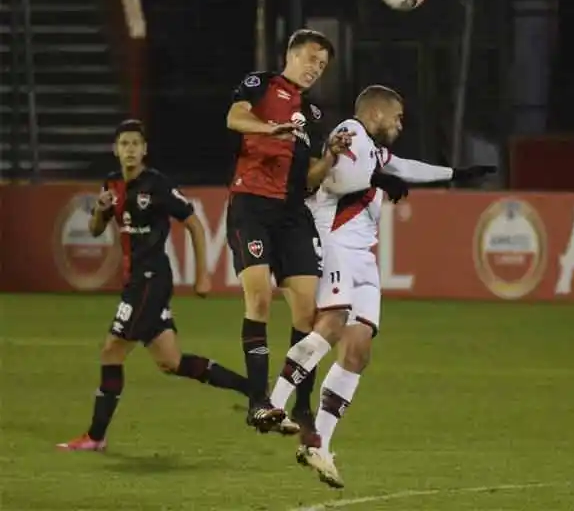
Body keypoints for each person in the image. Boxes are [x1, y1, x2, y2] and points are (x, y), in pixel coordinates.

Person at [268, 85, 495, 487]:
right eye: (397, 117)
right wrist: (379, 180)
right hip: (335, 243)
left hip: (363, 257)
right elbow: (337, 179)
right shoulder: (350, 131)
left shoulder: (374, 150)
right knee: (332, 323)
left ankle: (319, 444)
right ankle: (272, 404)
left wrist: (455, 174)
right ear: (376, 112)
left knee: (358, 350)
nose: (400, 125)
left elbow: (403, 167)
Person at [57, 119, 253, 452]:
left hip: (150, 281)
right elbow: (95, 230)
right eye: (124, 144)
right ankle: (253, 389)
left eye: (136, 144)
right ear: (116, 149)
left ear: (144, 149)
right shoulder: (112, 184)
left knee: (112, 350)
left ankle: (95, 436)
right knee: (171, 361)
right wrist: (100, 212)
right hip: (134, 281)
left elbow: (194, 224)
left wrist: (203, 274)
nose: (130, 150)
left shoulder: (157, 185)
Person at [225, 29, 352, 433]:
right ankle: (258, 402)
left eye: (322, 65)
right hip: (252, 205)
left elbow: (311, 178)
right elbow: (234, 117)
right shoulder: (261, 84)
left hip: (293, 214)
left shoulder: (313, 114)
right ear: (292, 55)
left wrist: (329, 157)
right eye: (312, 58)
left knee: (307, 312)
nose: (316, 68)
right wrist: (271, 128)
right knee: (259, 298)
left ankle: (300, 407)